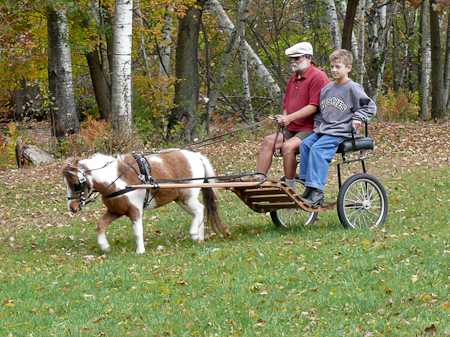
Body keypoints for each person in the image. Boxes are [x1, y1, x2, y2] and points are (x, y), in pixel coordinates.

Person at [300, 49, 377, 206]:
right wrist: (318, 126)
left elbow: (369, 107)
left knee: (318, 149)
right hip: (325, 130)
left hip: (341, 132)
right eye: (332, 67)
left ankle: (317, 191)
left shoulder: (353, 88)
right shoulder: (327, 89)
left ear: (348, 68)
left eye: (338, 67)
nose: (334, 70)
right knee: (306, 144)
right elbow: (320, 113)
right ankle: (308, 185)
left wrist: (357, 118)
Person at [256, 42, 329, 189]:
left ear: (309, 58)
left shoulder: (318, 77)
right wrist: (284, 119)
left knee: (287, 147)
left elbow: (313, 107)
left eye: (297, 58)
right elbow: (286, 105)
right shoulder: (293, 78)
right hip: (292, 128)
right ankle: (258, 180)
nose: (293, 61)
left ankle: (290, 187)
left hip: (311, 129)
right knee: (268, 141)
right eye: (291, 59)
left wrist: (288, 118)